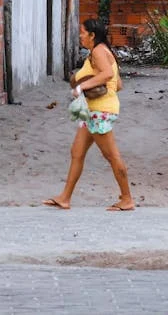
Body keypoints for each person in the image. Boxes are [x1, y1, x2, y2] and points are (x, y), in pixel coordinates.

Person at [43, 19, 135, 211]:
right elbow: (118, 84)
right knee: (77, 152)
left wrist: (82, 86)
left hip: (99, 112)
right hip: (92, 111)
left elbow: (108, 74)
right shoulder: (102, 51)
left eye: (83, 33)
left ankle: (127, 199)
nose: (81, 37)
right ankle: (65, 197)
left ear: (92, 35)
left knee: (112, 156)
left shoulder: (99, 51)